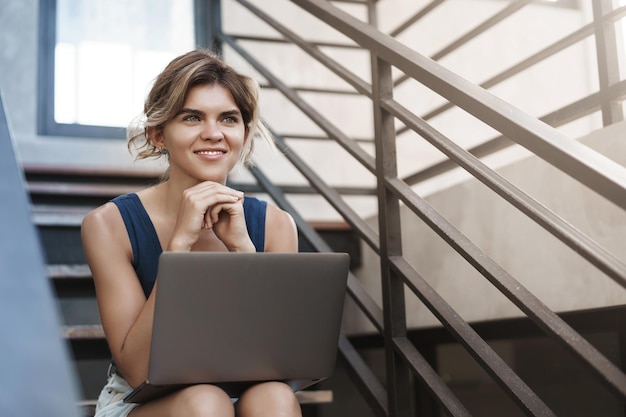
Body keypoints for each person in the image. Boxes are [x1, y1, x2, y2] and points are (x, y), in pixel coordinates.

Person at [81, 49, 301, 417]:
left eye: (228, 119)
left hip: (243, 390)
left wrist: (245, 252)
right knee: (205, 403)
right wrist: (179, 246)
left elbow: (282, 363)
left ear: (244, 134)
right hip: (145, 401)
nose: (213, 134)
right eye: (192, 117)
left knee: (276, 399)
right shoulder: (109, 224)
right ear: (158, 135)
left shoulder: (277, 225)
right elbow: (138, 371)